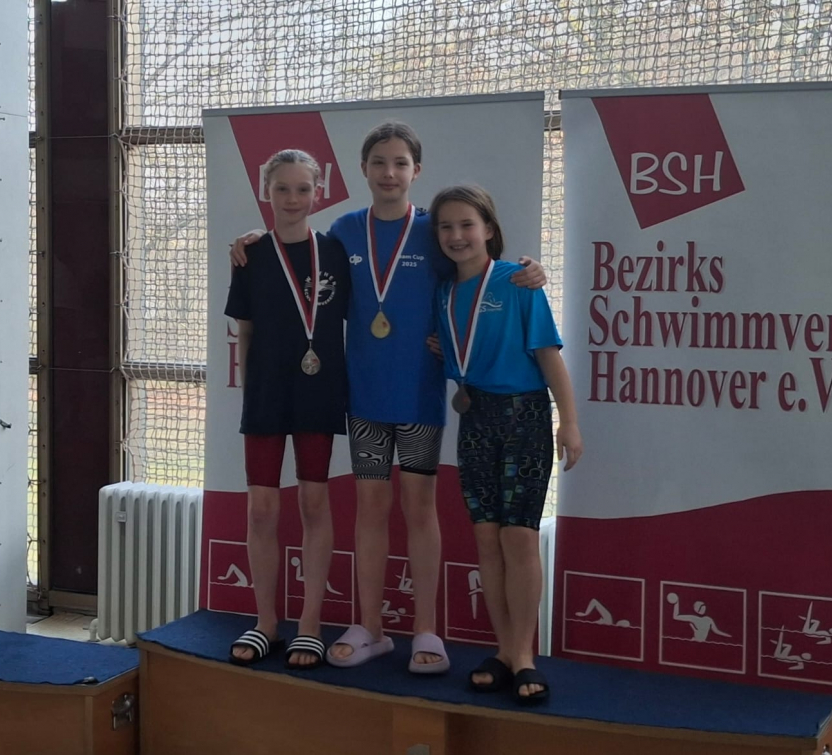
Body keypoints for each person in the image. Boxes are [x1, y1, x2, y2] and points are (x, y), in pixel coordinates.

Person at [230, 122, 546, 674]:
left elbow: (476, 269)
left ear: (416, 171)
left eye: (400, 163)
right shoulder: (344, 232)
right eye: (379, 162)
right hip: (364, 396)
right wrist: (250, 239)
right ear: (363, 170)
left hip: (421, 393)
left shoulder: (433, 231)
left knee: (420, 509)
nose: (389, 172)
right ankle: (371, 627)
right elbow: (295, 256)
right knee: (370, 509)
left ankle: (426, 629)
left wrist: (531, 270)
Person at [430, 184, 582, 704]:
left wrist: (569, 422)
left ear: (489, 230)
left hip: (524, 417)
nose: (457, 235)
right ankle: (501, 649)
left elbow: (548, 355)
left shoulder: (518, 281)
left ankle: (523, 655)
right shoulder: (443, 293)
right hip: (475, 420)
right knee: (487, 538)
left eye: (467, 225)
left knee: (518, 537)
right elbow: (455, 348)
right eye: (446, 227)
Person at [225, 149, 350, 671]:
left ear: (318, 193)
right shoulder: (250, 255)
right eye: (282, 188)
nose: (292, 198)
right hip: (266, 395)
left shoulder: (336, 252)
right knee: (261, 508)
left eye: (302, 189)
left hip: (319, 391)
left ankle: (310, 624)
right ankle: (266, 622)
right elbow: (245, 332)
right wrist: (252, 391)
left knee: (314, 504)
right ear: (266, 192)